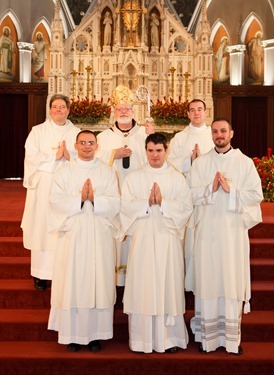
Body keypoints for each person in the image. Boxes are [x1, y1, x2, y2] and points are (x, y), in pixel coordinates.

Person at [186, 118, 263, 355]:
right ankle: (206, 338)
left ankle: (232, 340)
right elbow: (189, 195)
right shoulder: (200, 164)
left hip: (232, 235)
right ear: (211, 134)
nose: (219, 135)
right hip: (207, 233)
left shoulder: (244, 163)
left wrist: (231, 192)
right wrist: (211, 189)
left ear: (231, 133)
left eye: (223, 131)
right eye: (215, 131)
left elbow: (255, 195)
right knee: (209, 281)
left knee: (230, 281)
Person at [47, 130, 120, 352]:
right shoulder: (64, 171)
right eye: (83, 143)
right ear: (75, 146)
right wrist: (80, 199)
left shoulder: (107, 172)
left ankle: (95, 335)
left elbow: (116, 203)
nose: (87, 146)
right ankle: (72, 335)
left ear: (97, 146)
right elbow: (54, 201)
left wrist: (94, 199)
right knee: (73, 282)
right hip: (73, 236)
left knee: (97, 281)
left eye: (91, 142)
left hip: (99, 235)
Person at [120, 133, 193, 353]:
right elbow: (124, 207)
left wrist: (163, 204)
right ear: (145, 150)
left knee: (167, 284)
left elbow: (186, 208)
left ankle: (168, 339)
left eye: (159, 150)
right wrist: (146, 203)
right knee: (144, 285)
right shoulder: (134, 177)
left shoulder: (177, 177)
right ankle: (142, 340)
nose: (154, 155)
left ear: (166, 150)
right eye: (150, 150)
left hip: (167, 239)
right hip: (142, 239)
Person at [21, 94, 80, 291]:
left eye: (62, 107)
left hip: (68, 189)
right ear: (50, 109)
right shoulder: (38, 132)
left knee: (64, 229)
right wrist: (54, 157)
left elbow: (87, 156)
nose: (58, 110)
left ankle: (63, 273)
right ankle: (40, 274)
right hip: (44, 188)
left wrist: (69, 155)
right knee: (42, 228)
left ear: (68, 110)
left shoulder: (77, 133)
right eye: (55, 107)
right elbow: (30, 157)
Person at [96, 84, 154, 286]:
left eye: (127, 109)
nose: (123, 112)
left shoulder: (144, 134)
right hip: (113, 195)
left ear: (133, 111)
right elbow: (94, 162)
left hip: (137, 195)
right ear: (114, 111)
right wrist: (113, 154)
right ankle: (115, 278)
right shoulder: (103, 137)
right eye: (119, 109)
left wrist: (151, 135)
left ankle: (135, 276)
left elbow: (155, 159)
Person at [168, 99, 214, 176]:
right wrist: (190, 160)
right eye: (192, 110)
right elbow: (170, 162)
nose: (196, 113)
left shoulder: (214, 136)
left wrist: (202, 161)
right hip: (186, 183)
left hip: (209, 183)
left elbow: (221, 160)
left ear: (206, 113)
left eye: (199, 109)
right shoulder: (179, 138)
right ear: (188, 114)